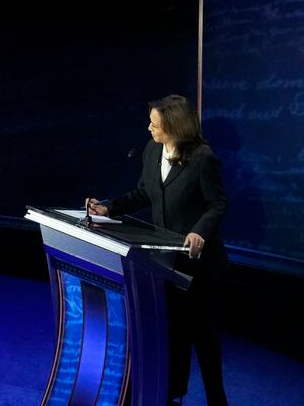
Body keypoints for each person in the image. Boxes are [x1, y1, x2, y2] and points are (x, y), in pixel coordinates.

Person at [86, 94, 228, 406]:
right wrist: (108, 208)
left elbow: (217, 204)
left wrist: (198, 232)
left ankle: (218, 400)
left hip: (201, 265)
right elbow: (142, 192)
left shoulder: (203, 158)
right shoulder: (152, 151)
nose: (149, 129)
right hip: (166, 261)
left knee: (203, 336)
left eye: (155, 124)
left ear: (174, 127)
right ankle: (173, 394)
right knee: (174, 331)